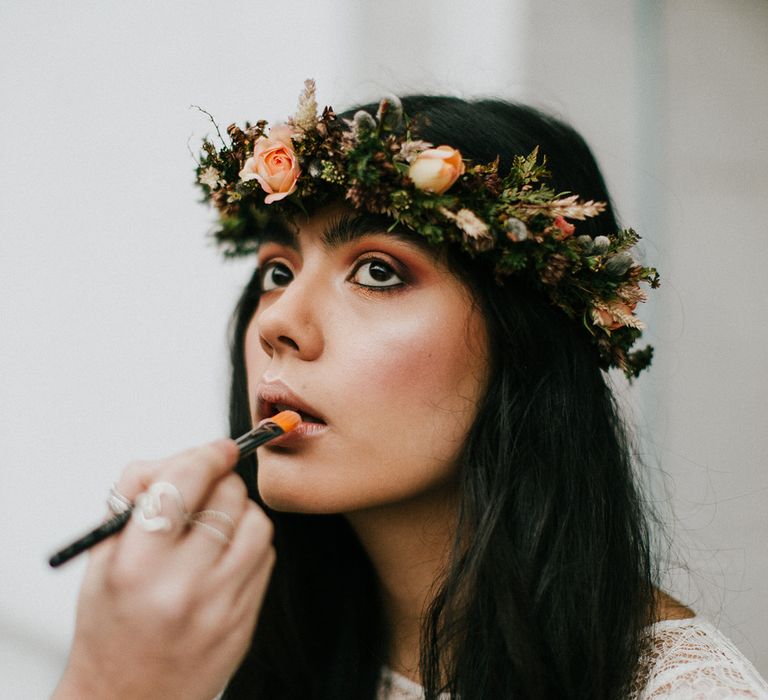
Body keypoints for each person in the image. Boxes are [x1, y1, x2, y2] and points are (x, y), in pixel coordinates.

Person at [52, 81, 768, 699]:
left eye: (379, 272)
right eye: (277, 270)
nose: (280, 322)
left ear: (525, 346)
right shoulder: (228, 647)